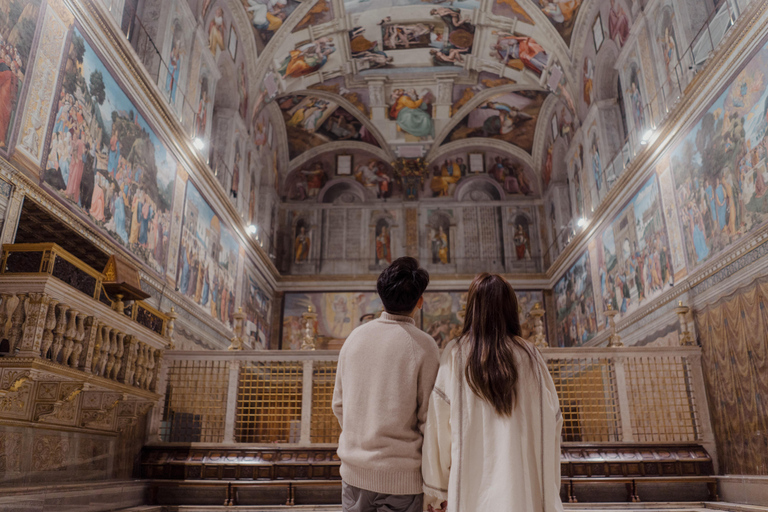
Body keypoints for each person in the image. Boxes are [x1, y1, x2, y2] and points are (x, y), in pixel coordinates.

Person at [422, 274, 564, 512]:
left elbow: (437, 430)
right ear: (510, 308)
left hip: (471, 493)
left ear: (473, 309)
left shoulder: (456, 354)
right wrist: (549, 487)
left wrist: (437, 493)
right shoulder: (530, 355)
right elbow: (554, 423)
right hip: (523, 491)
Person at [333, 257, 438, 512]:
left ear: (382, 298)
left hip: (354, 476)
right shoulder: (425, 346)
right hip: (402, 482)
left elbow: (338, 405)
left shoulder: (354, 338)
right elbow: (430, 421)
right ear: (420, 302)